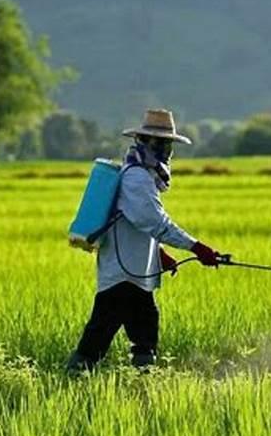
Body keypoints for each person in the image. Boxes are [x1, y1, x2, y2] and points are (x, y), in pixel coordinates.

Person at [66, 109, 221, 372]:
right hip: (123, 272)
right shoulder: (137, 177)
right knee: (101, 336)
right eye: (163, 143)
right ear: (148, 143)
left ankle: (142, 382)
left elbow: (136, 222)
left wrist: (159, 254)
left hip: (134, 272)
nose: (167, 149)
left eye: (168, 143)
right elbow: (155, 222)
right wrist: (198, 248)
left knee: (144, 333)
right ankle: (74, 380)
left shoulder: (144, 175)